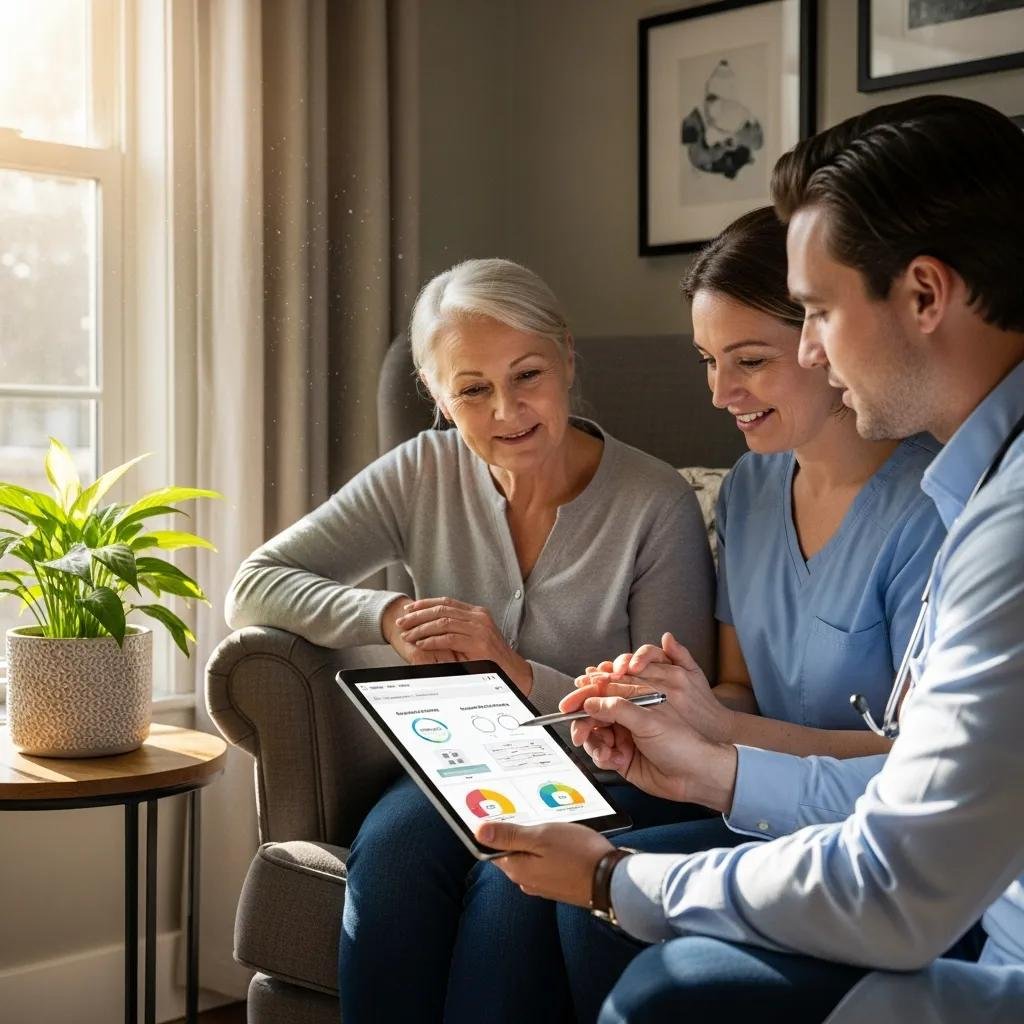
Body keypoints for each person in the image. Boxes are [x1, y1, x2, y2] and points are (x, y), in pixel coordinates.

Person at [482, 95, 1024, 1024]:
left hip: (986, 945)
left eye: (814, 313)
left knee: (666, 988)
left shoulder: (1002, 523)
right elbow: (927, 796)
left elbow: (898, 881)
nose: (811, 348)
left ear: (926, 295)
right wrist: (709, 770)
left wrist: (619, 880)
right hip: (969, 908)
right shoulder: (977, 489)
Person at [224, 257, 716, 1022]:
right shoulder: (422, 471)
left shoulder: (655, 502)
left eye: (528, 376)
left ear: (567, 359)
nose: (506, 410)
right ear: (438, 396)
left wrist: (518, 672)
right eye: (472, 389)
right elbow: (255, 581)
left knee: (507, 888)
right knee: (388, 859)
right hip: (457, 759)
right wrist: (388, 618)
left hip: (609, 776)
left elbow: (675, 710)